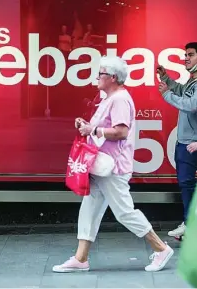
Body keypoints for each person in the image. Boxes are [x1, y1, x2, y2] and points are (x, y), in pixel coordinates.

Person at [53, 56, 174, 273]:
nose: (97, 77)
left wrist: (93, 130)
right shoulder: (111, 98)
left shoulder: (118, 99)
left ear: (113, 77)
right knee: (89, 209)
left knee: (124, 212)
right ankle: (81, 258)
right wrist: (88, 126)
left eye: (101, 74)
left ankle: (161, 248)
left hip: (112, 166)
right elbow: (104, 128)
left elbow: (121, 132)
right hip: (103, 166)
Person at [157, 42, 197, 239]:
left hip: (195, 139)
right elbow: (183, 92)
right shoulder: (194, 80)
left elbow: (192, 105)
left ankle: (191, 223)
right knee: (186, 182)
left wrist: (166, 94)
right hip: (186, 138)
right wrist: (166, 78)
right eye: (185, 55)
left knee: (186, 182)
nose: (185, 58)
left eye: (190, 55)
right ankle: (190, 221)